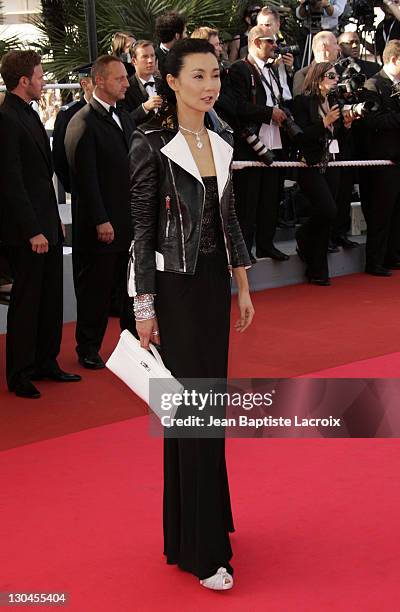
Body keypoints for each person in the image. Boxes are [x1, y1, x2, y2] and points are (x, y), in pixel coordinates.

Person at [128, 38, 254, 590]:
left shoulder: (222, 138)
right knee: (190, 414)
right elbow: (141, 233)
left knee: (207, 412)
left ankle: (198, 528)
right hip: (174, 295)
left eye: (215, 76)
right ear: (172, 81)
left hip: (211, 289)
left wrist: (243, 286)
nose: (210, 86)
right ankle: (205, 553)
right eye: (198, 76)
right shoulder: (149, 143)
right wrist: (144, 308)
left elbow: (230, 223)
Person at [0, 50, 81, 398]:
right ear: (24, 81)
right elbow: (11, 182)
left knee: (50, 297)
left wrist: (52, 222)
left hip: (45, 222)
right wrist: (33, 229)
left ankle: (46, 362)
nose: (44, 79)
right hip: (25, 230)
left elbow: (39, 177)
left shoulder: (29, 115)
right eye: (40, 74)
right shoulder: (6, 119)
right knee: (27, 302)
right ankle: (19, 374)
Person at [64, 55, 135, 369]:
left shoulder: (123, 116)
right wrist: (101, 220)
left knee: (129, 288)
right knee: (96, 290)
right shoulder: (83, 122)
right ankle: (88, 349)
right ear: (101, 81)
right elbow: (84, 179)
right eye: (120, 78)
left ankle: (132, 344)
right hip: (101, 226)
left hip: (128, 221)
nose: (126, 83)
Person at [229, 26, 290, 262]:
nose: (275, 45)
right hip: (250, 144)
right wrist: (268, 113)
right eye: (270, 41)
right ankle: (245, 250)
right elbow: (238, 107)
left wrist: (280, 114)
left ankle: (266, 244)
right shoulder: (239, 69)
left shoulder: (273, 70)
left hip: (274, 143)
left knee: (271, 198)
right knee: (249, 200)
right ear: (255, 42)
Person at [293, 62, 353, 285]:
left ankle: (317, 270)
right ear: (318, 78)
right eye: (330, 75)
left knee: (329, 216)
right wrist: (324, 122)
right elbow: (300, 136)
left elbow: (340, 140)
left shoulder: (336, 102)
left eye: (336, 76)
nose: (335, 79)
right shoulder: (302, 102)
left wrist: (345, 126)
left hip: (333, 163)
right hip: (310, 164)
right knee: (328, 210)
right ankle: (303, 236)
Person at [359, 39, 400, 276]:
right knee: (381, 213)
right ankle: (374, 262)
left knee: (397, 212)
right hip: (382, 161)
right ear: (394, 59)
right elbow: (370, 121)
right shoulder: (373, 84)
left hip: (398, 160)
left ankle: (393, 256)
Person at [52, 63, 94, 194]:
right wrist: (73, 187)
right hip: (82, 189)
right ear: (84, 84)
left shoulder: (118, 111)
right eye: (98, 81)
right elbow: (59, 157)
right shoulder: (68, 114)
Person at [257, 6, 295, 109]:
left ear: (278, 25)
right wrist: (272, 67)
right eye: (260, 25)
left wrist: (290, 68)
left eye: (268, 25)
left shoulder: (286, 44)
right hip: (266, 105)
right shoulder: (251, 49)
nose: (264, 28)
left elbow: (293, 78)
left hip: (286, 100)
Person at [120, 40, 163, 123]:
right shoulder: (125, 88)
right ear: (134, 61)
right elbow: (123, 121)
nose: (150, 60)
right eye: (145, 56)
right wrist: (144, 108)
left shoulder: (164, 84)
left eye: (152, 55)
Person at [293, 30, 339, 97]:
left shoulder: (339, 70)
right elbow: (300, 104)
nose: (338, 48)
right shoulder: (302, 75)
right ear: (324, 47)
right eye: (335, 43)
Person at [154, 11, 187, 76]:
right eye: (185, 32)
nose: (186, 36)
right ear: (177, 36)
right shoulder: (154, 59)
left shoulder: (186, 54)